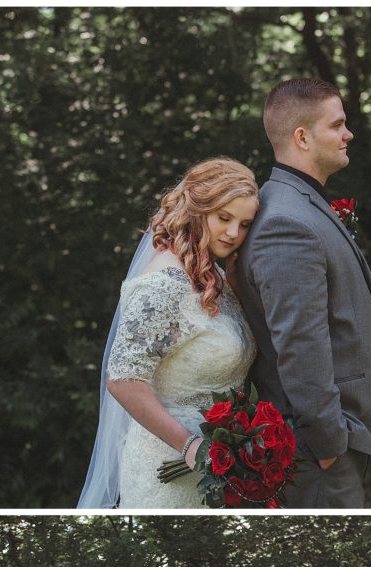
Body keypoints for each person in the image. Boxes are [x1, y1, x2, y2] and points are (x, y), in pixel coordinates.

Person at [235, 79, 371, 509]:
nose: (349, 134)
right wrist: (328, 445)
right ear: (302, 137)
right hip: (320, 451)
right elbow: (300, 343)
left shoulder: (299, 204)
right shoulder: (285, 223)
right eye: (338, 124)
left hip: (338, 438)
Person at [78, 158, 258, 508]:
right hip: (168, 468)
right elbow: (124, 379)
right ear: (198, 211)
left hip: (217, 468)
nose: (233, 233)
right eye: (224, 218)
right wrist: (191, 445)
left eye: (245, 224)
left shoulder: (213, 276)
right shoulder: (165, 284)